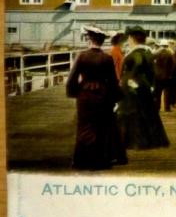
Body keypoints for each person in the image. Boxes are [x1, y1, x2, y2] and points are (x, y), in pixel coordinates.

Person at [66, 25, 126, 170]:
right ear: (101, 42)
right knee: (101, 127)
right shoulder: (107, 58)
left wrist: (74, 92)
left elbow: (72, 78)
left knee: (84, 126)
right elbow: (112, 81)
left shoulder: (82, 56)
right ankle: (100, 161)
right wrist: (116, 97)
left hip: (85, 94)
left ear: (89, 40)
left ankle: (81, 160)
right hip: (102, 94)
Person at [117, 26, 170, 150]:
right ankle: (151, 140)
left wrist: (131, 79)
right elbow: (152, 72)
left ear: (132, 38)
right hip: (144, 87)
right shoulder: (147, 52)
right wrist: (150, 85)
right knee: (147, 113)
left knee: (132, 114)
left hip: (133, 88)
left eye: (129, 38)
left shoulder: (137, 53)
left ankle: (136, 142)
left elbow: (137, 63)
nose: (128, 41)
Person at [153, 39, 176, 112]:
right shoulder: (169, 54)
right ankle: (167, 107)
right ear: (166, 46)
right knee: (167, 92)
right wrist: (170, 73)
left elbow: (151, 63)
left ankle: (157, 107)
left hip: (157, 76)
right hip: (167, 76)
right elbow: (173, 64)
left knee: (157, 93)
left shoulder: (156, 53)